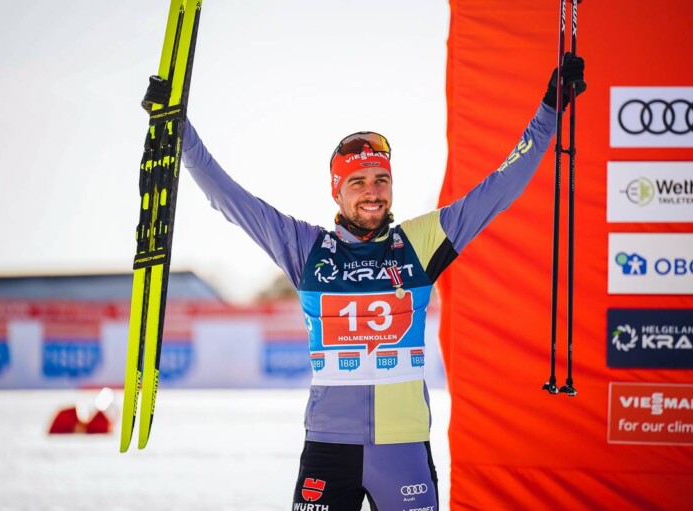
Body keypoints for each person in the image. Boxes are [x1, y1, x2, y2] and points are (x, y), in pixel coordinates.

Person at [141, 53, 585, 511]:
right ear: (336, 191)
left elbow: (500, 187)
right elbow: (227, 196)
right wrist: (180, 131)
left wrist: (550, 109)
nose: (372, 192)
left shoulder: (421, 240)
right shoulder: (305, 247)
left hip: (404, 448)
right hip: (329, 447)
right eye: (358, 183)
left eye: (381, 180)